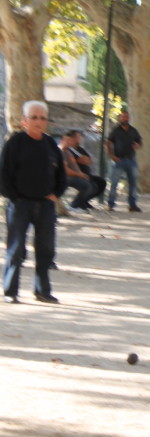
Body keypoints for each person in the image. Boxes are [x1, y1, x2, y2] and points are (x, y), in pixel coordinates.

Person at [1, 100, 66, 304]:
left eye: (42, 118)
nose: (38, 121)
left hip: (45, 205)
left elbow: (60, 174)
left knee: (46, 249)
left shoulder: (50, 145)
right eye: (34, 117)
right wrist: (14, 196)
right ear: (24, 120)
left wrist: (56, 193)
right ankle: (11, 291)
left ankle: (42, 291)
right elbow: (4, 173)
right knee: (16, 248)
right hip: (20, 204)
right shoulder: (15, 143)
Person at [106, 110, 142, 212]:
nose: (124, 119)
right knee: (114, 183)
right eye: (122, 117)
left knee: (133, 183)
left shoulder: (133, 130)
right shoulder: (115, 131)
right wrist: (112, 155)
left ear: (129, 118)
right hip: (118, 160)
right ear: (119, 118)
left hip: (131, 160)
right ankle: (111, 204)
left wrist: (138, 145)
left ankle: (132, 204)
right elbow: (108, 143)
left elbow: (139, 141)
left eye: (126, 117)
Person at [59, 130, 97, 213]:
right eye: (66, 140)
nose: (68, 142)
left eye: (69, 140)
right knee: (87, 186)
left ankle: (78, 204)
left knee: (93, 186)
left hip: (75, 176)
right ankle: (74, 205)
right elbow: (65, 170)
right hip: (66, 177)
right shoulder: (61, 152)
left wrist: (82, 174)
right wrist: (80, 175)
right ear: (61, 141)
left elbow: (84, 162)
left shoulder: (68, 152)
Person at [67, 130, 106, 209]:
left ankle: (84, 201)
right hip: (76, 175)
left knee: (101, 182)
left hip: (86, 174)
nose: (80, 139)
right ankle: (75, 204)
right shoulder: (68, 150)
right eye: (78, 137)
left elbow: (89, 160)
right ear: (73, 138)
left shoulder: (80, 149)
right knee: (92, 186)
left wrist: (85, 160)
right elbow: (73, 162)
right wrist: (79, 160)